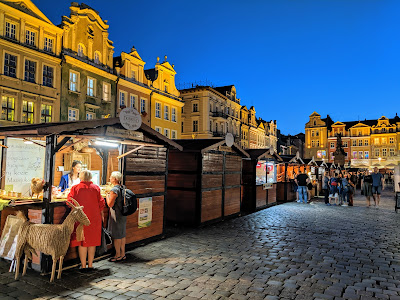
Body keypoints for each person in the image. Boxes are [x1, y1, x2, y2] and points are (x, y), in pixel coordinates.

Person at [68, 170, 105, 271]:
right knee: (92, 242)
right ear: (91, 177)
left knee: (81, 241)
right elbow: (101, 203)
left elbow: (69, 201)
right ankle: (91, 265)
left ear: (81, 177)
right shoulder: (96, 188)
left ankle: (83, 265)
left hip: (80, 217)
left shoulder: (75, 188)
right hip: (94, 218)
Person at [106, 171, 127, 262]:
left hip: (116, 215)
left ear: (115, 179)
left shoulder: (114, 190)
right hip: (123, 213)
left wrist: (107, 196)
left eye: (111, 177)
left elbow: (110, 204)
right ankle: (123, 254)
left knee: (117, 236)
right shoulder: (123, 187)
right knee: (122, 234)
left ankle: (117, 255)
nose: (109, 178)